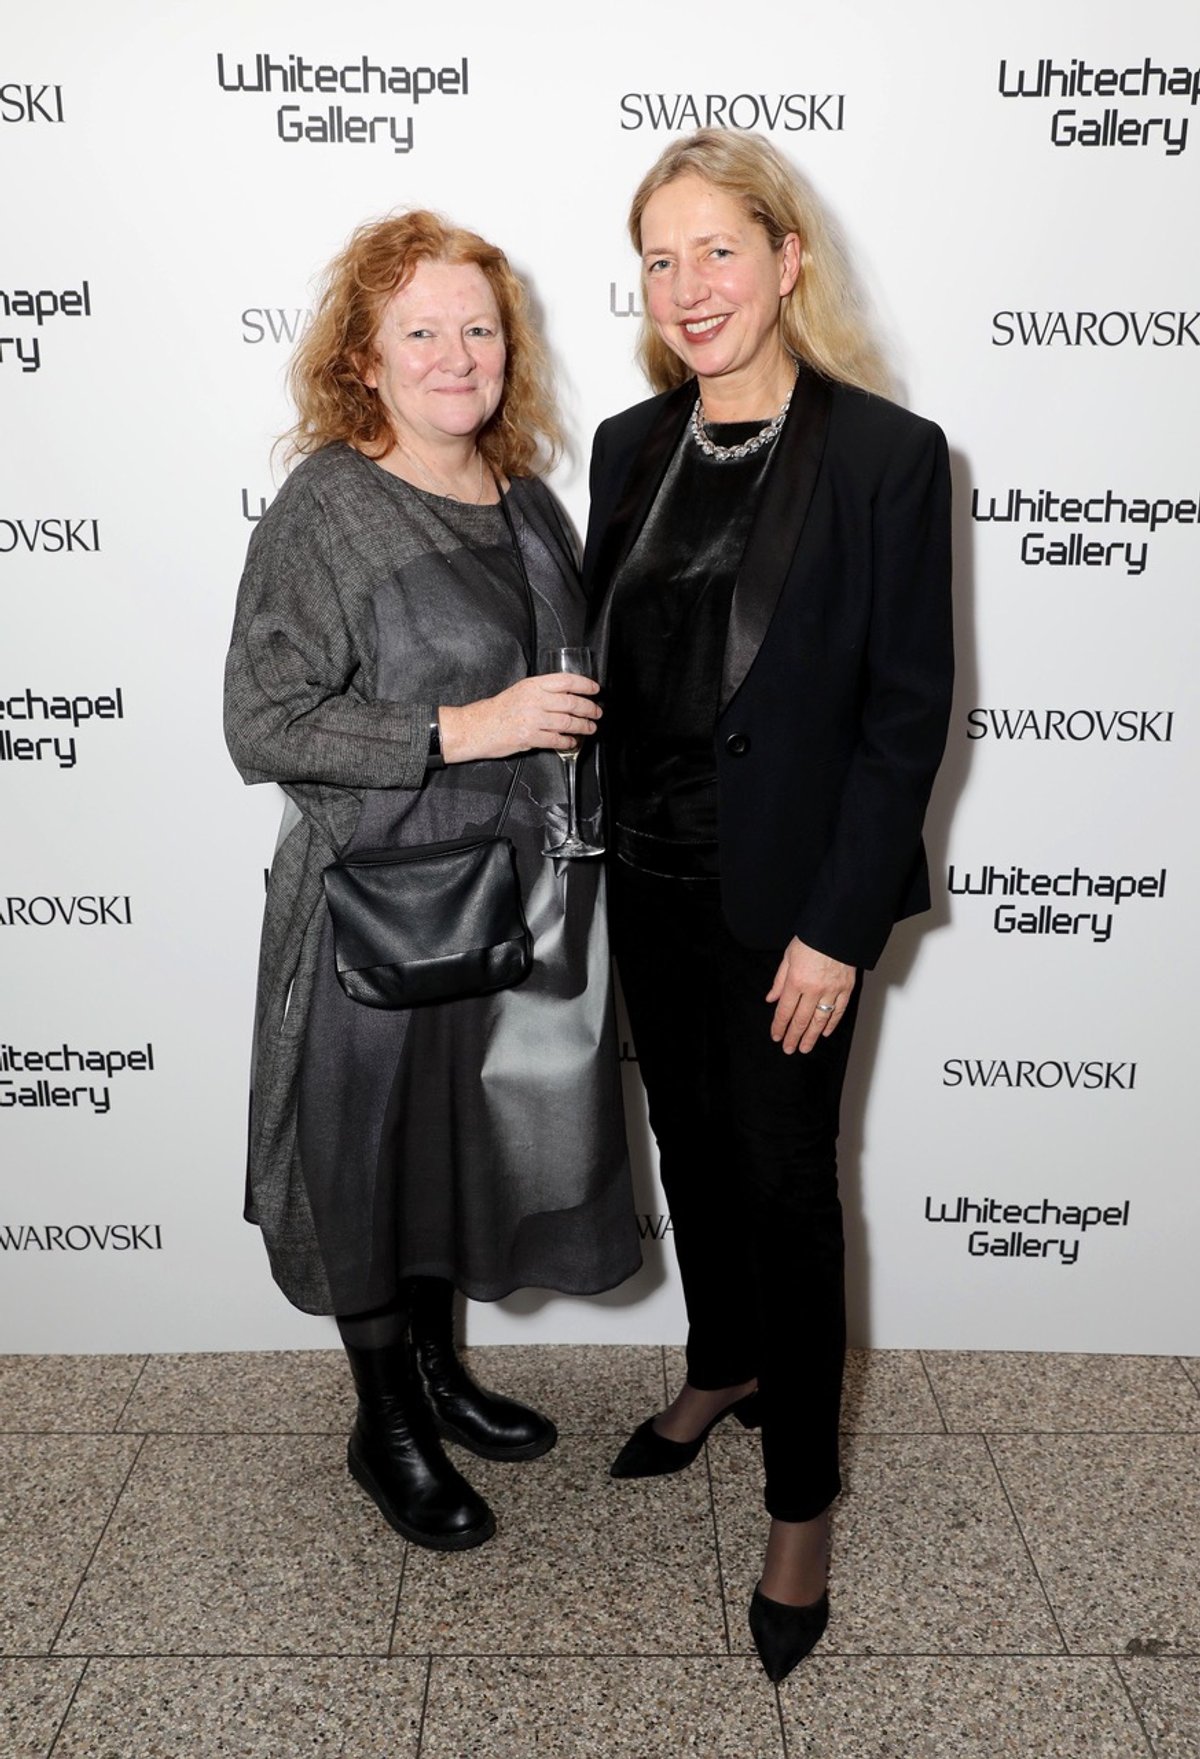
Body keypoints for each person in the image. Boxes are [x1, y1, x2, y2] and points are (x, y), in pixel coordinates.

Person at [584, 131, 953, 1680]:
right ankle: (723, 1367)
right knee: (689, 1142)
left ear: (788, 258)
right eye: (661, 259)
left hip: (790, 907)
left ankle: (801, 1500)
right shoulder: (624, 445)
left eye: (716, 250)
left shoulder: (884, 454)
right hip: (650, 881)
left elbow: (904, 713)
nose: (688, 288)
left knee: (791, 1186)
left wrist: (838, 927)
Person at [224, 210, 639, 1553]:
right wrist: (466, 729)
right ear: (365, 355)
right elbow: (263, 722)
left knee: (452, 1154)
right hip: (379, 919)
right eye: (422, 331)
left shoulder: (523, 493)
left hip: (510, 904)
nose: (456, 356)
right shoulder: (328, 507)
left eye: (478, 328)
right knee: (366, 1162)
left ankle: (441, 1373)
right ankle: (382, 1420)